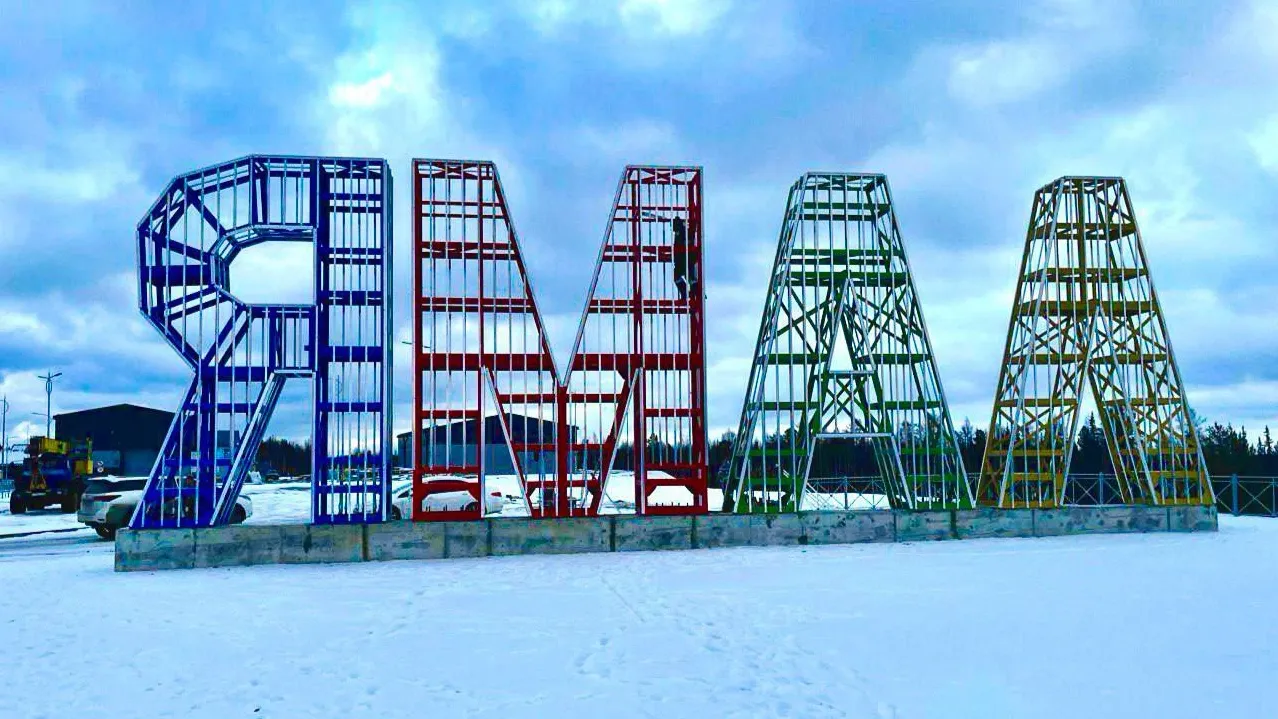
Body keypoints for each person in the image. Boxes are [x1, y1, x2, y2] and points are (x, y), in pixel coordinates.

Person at [672, 217, 692, 300]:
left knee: (679, 276)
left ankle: (687, 293)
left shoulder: (682, 231)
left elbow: (688, 242)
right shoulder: (680, 232)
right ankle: (688, 293)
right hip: (682, 259)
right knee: (684, 277)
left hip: (684, 260)